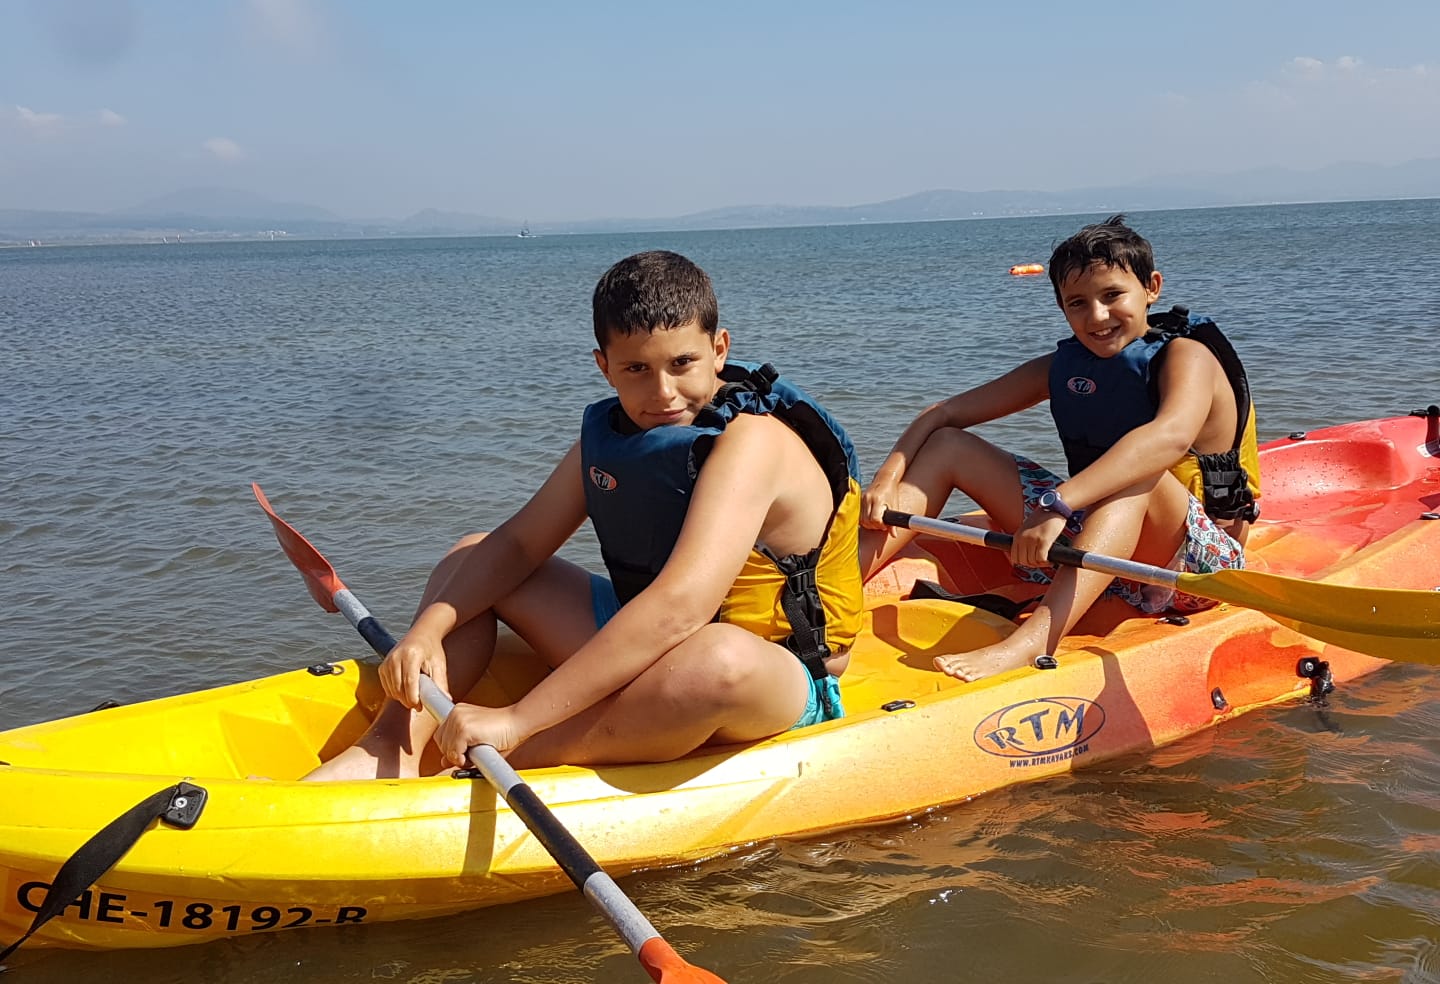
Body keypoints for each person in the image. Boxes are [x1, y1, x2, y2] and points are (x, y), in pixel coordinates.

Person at [306, 250, 864, 780]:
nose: (663, 393)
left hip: (774, 675)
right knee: (472, 556)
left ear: (719, 349)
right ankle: (391, 747)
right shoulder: (617, 435)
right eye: (636, 368)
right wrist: (429, 629)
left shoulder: (752, 443)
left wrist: (519, 718)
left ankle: (495, 760)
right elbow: (519, 545)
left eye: (682, 363)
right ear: (604, 367)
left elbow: (681, 609)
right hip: (655, 650)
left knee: (720, 659)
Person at [859, 214, 1261, 683]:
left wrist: (1056, 503)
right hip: (1092, 545)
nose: (1097, 316)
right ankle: (832, 593)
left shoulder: (1188, 356)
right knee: (949, 445)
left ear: (1151, 288)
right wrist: (884, 482)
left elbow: (1167, 438)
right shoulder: (1065, 366)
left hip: (1192, 568)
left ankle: (1032, 643)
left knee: (1141, 476)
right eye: (1078, 303)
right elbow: (942, 414)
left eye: (1112, 296)